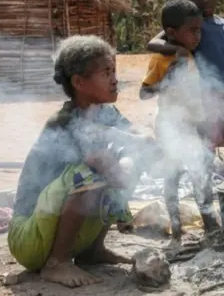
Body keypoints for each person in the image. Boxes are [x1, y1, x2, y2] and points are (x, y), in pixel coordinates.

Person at [8, 35, 152, 288]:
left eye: (114, 70)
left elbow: (141, 136)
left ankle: (92, 252)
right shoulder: (64, 121)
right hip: (31, 238)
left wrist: (129, 149)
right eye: (106, 72)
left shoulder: (106, 113)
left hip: (58, 230)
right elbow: (99, 161)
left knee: (127, 161)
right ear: (79, 81)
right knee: (92, 174)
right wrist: (124, 164)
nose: (115, 79)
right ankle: (57, 263)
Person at [146, 0, 224, 172]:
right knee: (206, 152)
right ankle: (210, 193)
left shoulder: (221, 23)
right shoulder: (189, 25)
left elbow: (217, 58)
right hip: (200, 97)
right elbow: (153, 43)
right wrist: (179, 50)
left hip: (222, 96)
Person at [140, 0, 220, 242]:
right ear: (173, 33)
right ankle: (176, 227)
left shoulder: (187, 53)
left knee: (202, 173)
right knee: (173, 176)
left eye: (199, 30)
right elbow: (144, 93)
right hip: (171, 127)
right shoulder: (162, 60)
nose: (197, 36)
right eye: (192, 31)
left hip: (194, 124)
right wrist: (167, 80)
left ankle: (210, 225)